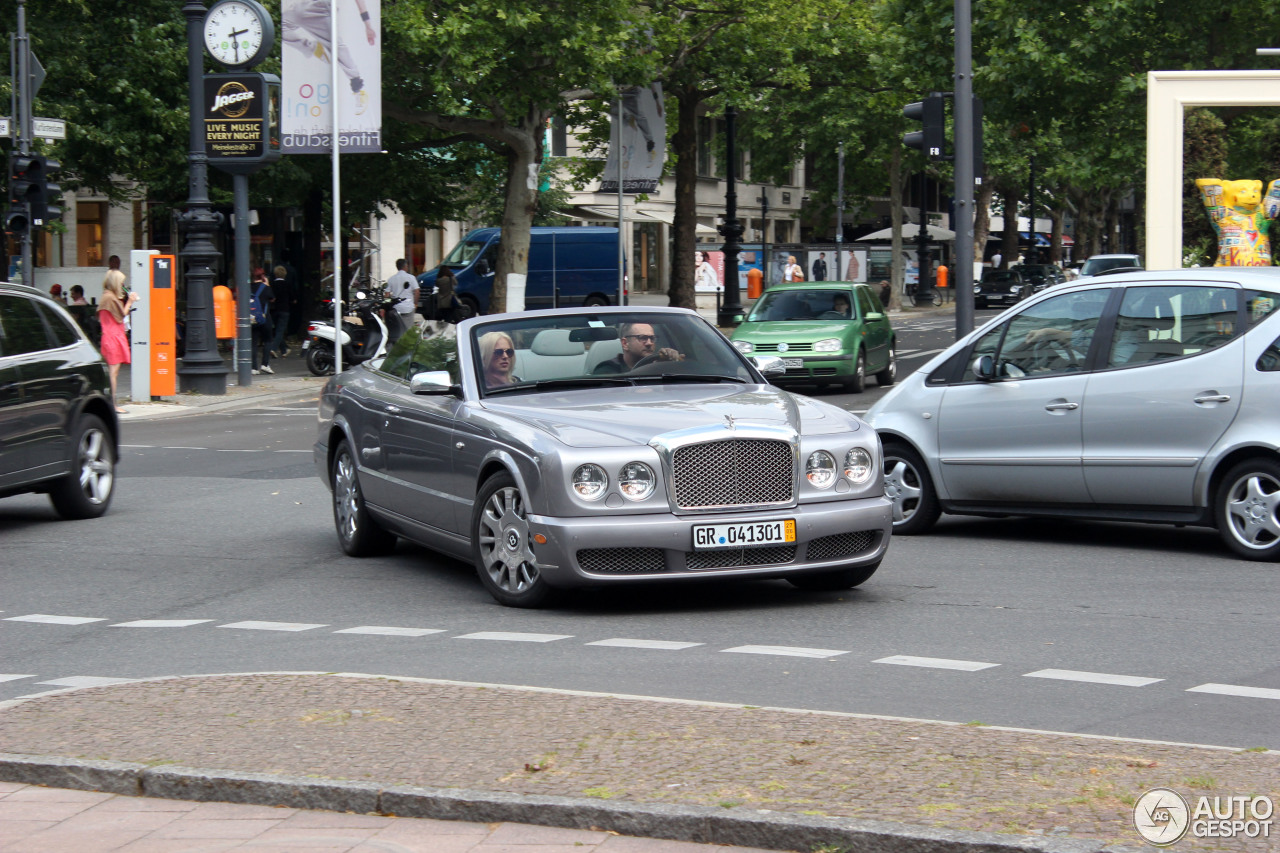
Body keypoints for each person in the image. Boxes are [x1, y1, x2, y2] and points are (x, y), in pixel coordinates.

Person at [283, 0, 377, 114]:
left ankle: (357, 88)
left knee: (283, 25)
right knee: (338, 48)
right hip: (313, 7)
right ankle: (357, 86)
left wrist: (368, 26)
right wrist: (368, 26)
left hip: (310, 8)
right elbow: (360, 4)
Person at [98, 269, 139, 413]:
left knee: (113, 372)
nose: (122, 284)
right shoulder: (110, 298)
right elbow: (121, 315)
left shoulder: (106, 296)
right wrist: (131, 301)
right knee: (113, 373)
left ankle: (111, 403)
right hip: (113, 337)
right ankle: (112, 404)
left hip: (110, 336)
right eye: (121, 281)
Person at [593, 322, 683, 374]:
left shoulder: (660, 366)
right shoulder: (608, 370)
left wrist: (668, 366)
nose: (649, 343)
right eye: (642, 338)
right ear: (625, 343)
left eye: (652, 338)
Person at [250, 269, 275, 375]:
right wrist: (267, 284)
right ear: (263, 276)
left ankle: (253, 367)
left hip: (252, 318)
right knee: (268, 340)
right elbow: (272, 299)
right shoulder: (266, 288)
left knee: (253, 343)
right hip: (264, 318)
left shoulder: (248, 287)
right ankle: (265, 364)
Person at [387, 258, 419, 330]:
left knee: (398, 328)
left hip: (396, 307)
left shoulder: (391, 279)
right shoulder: (411, 277)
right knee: (408, 329)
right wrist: (415, 303)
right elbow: (417, 291)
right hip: (408, 306)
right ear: (405, 266)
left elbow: (387, 294)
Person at [269, 265, 292, 357]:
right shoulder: (287, 284)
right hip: (285, 309)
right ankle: (273, 348)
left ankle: (284, 349)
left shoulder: (272, 285)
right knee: (280, 330)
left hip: (274, 309)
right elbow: (293, 297)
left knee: (276, 330)